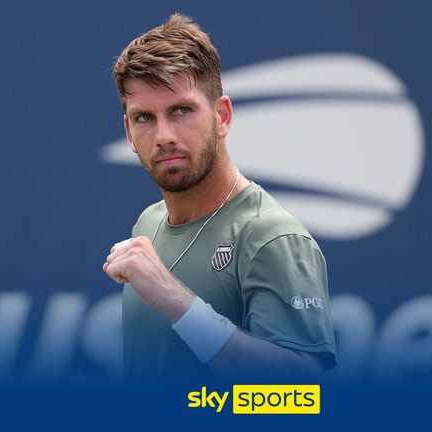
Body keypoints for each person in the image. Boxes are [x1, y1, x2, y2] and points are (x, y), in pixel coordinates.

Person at [103, 13, 336, 383]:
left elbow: (301, 397)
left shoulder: (271, 236)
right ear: (129, 134)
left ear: (222, 116)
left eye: (181, 111)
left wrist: (173, 299)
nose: (163, 135)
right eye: (144, 118)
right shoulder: (148, 224)